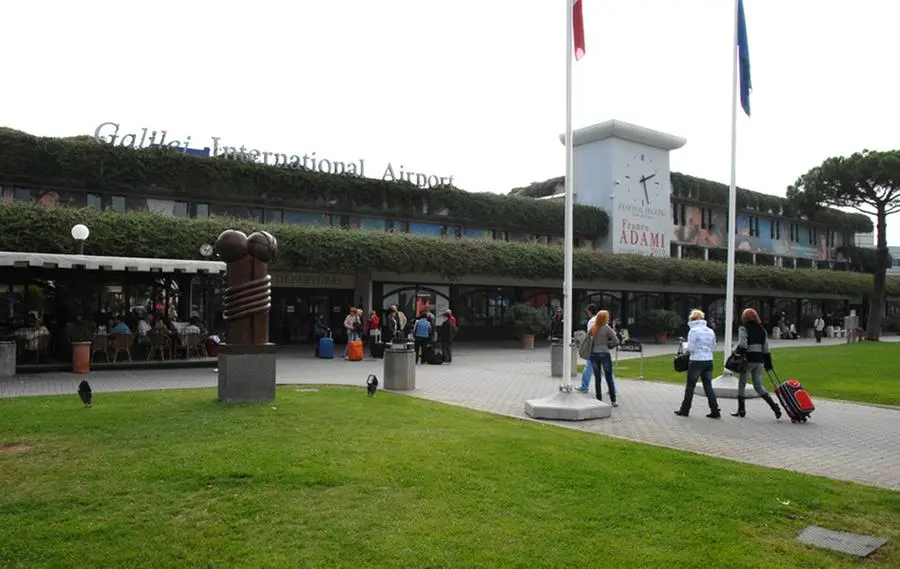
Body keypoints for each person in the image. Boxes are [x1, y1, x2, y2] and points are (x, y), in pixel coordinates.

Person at [732, 308, 782, 419]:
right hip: (759, 360)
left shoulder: (743, 328)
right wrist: (768, 363)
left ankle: (741, 409)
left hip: (748, 359)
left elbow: (743, 344)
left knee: (742, 384)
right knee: (758, 386)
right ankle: (774, 407)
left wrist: (736, 352)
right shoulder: (762, 330)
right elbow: (766, 349)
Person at [674, 309, 721, 419]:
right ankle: (715, 410)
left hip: (696, 360)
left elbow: (691, 348)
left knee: (690, 386)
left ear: (692, 319)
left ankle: (685, 409)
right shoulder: (710, 331)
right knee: (708, 386)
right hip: (708, 360)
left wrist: (684, 345)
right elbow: (714, 347)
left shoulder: (693, 331)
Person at [578, 309, 620, 406]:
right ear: (604, 318)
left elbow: (587, 341)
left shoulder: (593, 328)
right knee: (608, 377)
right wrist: (609, 345)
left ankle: (599, 400)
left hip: (594, 354)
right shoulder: (607, 328)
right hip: (604, 353)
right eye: (607, 317)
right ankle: (613, 401)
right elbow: (616, 341)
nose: (608, 319)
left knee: (597, 378)